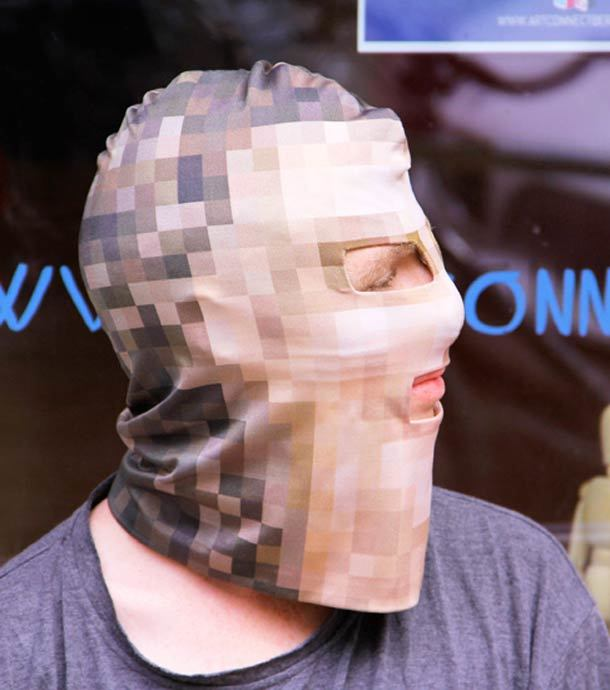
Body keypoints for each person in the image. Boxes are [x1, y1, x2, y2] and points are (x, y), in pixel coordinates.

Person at [0, 59, 608, 689]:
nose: (446, 311)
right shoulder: (23, 652)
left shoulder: (516, 593)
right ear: (212, 329)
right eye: (377, 276)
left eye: (428, 258)